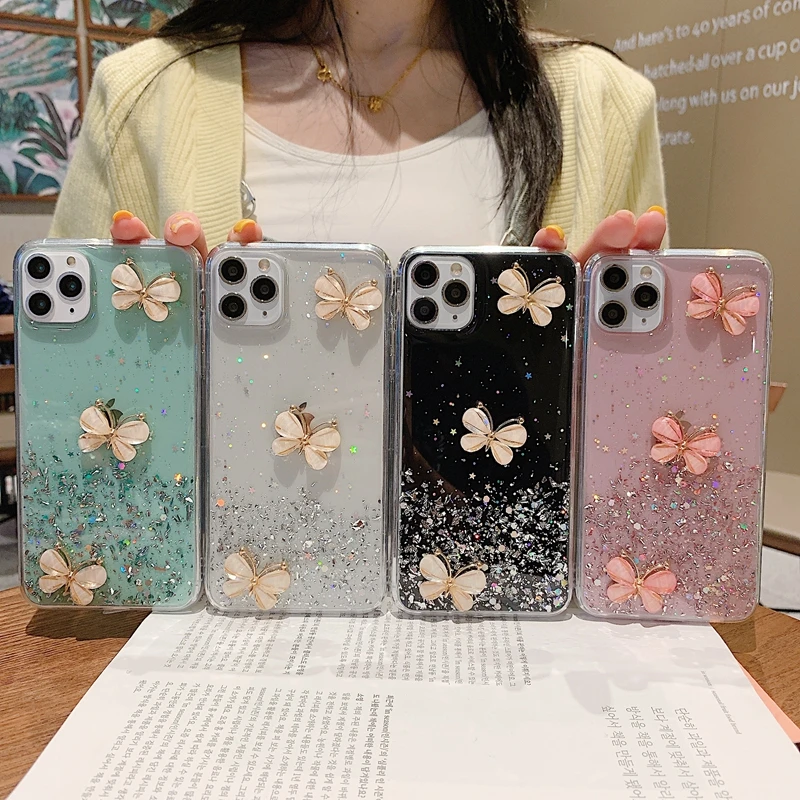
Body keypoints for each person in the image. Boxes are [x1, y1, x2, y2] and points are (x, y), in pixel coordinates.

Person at [49, 0, 667, 261]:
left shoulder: (604, 101)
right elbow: (73, 418)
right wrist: (150, 354)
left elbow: (647, 443)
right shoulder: (145, 93)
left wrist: (597, 377)